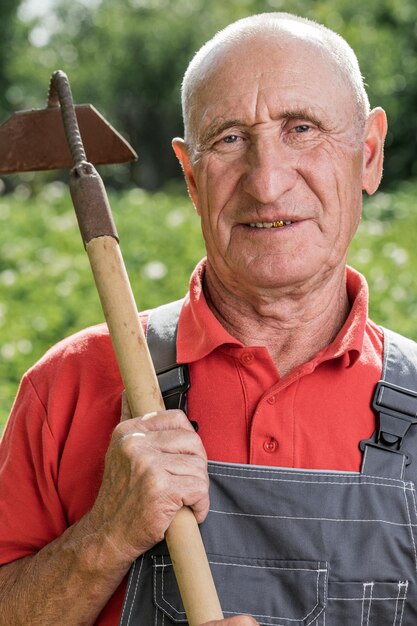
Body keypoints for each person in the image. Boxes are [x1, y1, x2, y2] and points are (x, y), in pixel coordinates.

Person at [1, 10, 415, 626]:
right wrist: (105, 537)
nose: (267, 184)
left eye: (301, 128)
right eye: (228, 139)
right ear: (192, 177)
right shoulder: (71, 385)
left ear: (370, 154)